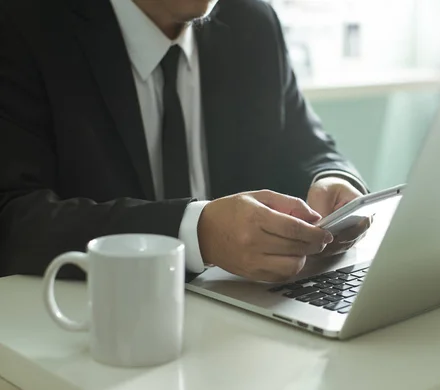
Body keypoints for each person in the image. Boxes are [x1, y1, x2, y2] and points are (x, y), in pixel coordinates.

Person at [0, 0, 370, 282]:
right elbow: (14, 218)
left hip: (240, 324)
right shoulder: (24, 23)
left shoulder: (250, 21)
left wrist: (333, 181)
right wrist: (196, 231)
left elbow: (309, 148)